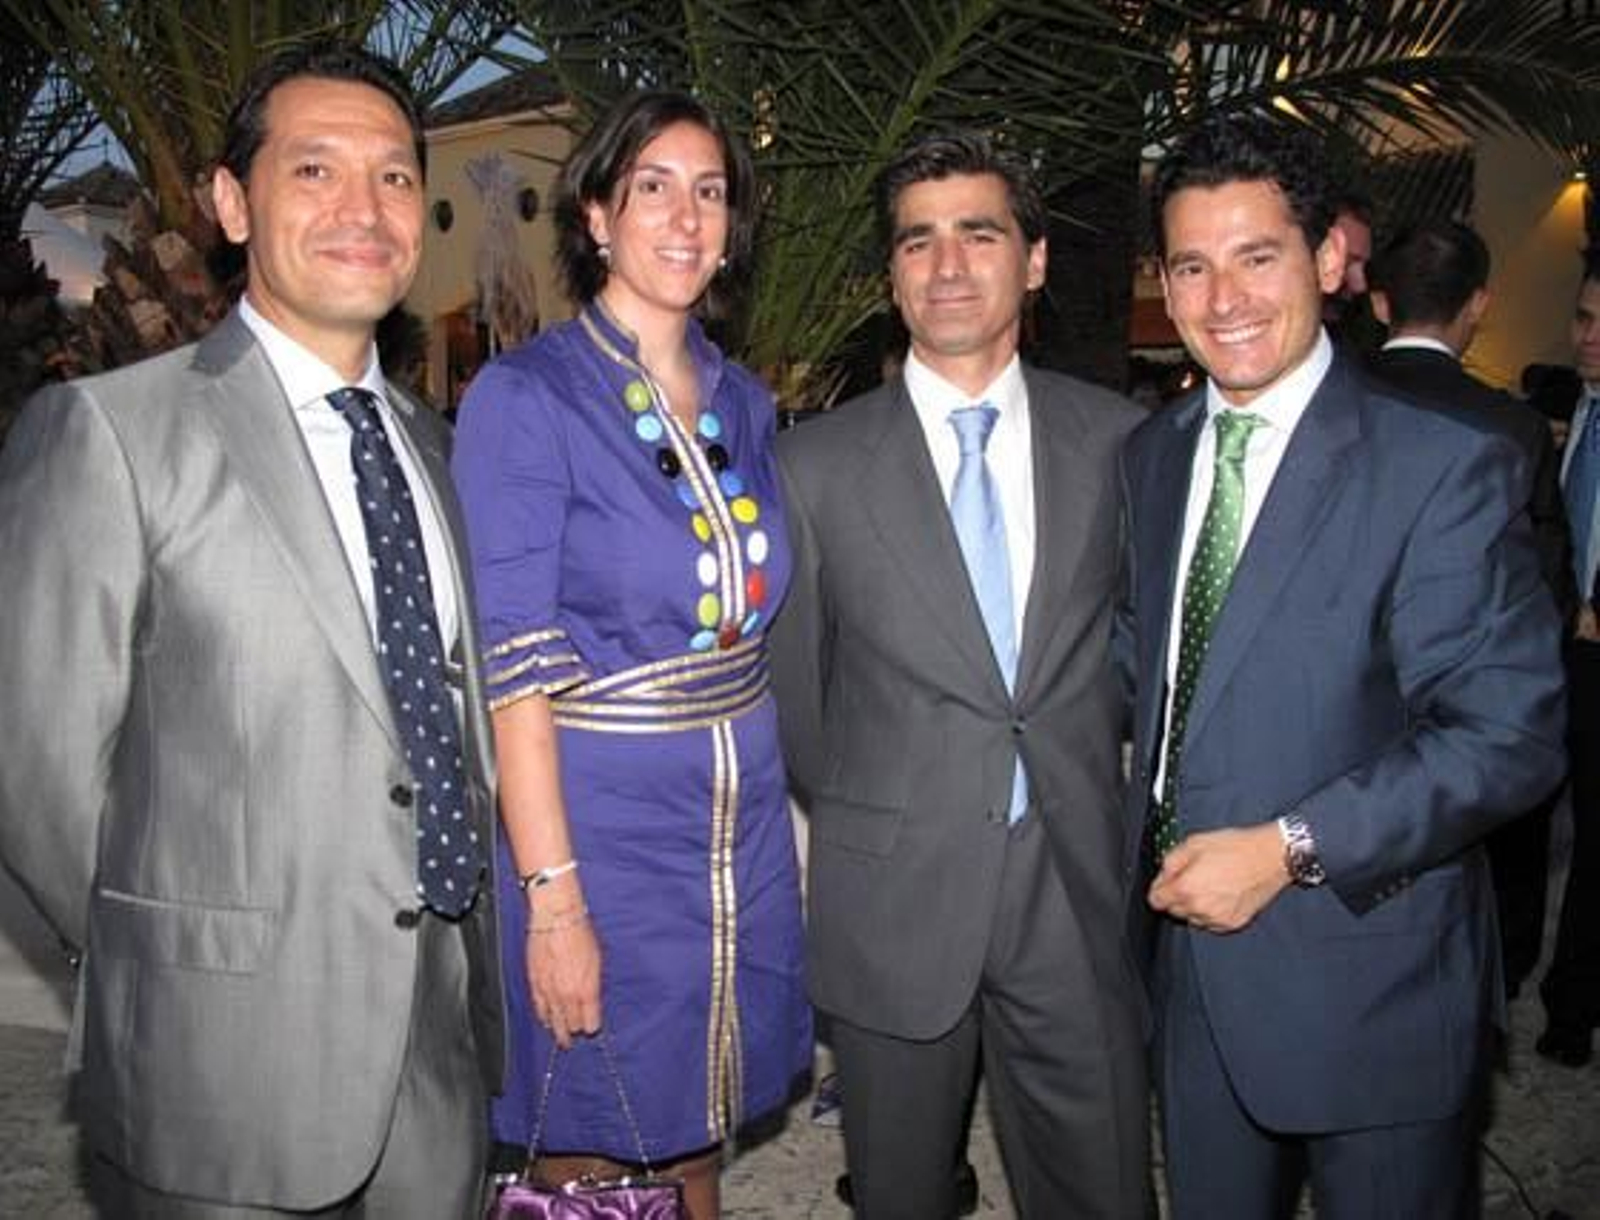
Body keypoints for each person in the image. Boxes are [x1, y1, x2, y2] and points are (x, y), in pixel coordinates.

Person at [0, 44, 502, 1219]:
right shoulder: (108, 434)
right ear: (232, 203)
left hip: (435, 1067)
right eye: (314, 169)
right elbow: (35, 771)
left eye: (390, 178)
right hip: (213, 1072)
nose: (360, 210)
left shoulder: (439, 448)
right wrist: (181, 960)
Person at [1121, 115, 1565, 1219]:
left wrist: (1289, 847)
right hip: (1190, 978)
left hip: (1375, 977)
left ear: (1329, 260)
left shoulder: (1440, 464)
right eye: (1192, 264)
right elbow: (1157, 660)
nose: (1222, 298)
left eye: (1256, 255)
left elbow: (1505, 733)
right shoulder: (1155, 453)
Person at [771, 130, 1151, 1219]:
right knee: (898, 1196)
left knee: (1104, 1189)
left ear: (1032, 260)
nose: (946, 266)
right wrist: (894, 805)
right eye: (917, 241)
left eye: (978, 234)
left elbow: (1138, 651)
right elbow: (801, 697)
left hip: (1073, 888)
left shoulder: (1124, 446)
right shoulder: (815, 466)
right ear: (891, 274)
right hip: (894, 896)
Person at [451, 91, 810, 1219]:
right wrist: (554, 903)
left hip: (735, 830)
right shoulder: (527, 396)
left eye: (709, 192)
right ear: (597, 214)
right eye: (653, 186)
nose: (686, 216)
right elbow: (511, 664)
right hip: (599, 833)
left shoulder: (744, 400)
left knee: (691, 1119)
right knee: (591, 1150)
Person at [1368, 218, 1574, 1000]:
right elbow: (1543, 579)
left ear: (1380, 303)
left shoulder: (1327, 404)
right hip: (1466, 711)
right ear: (1479, 304)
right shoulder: (1511, 427)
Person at [1537, 252, 1600, 1067]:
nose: (1590, 338)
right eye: (1585, 318)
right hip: (1559, 657)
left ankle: (1573, 1007)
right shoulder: (1565, 412)